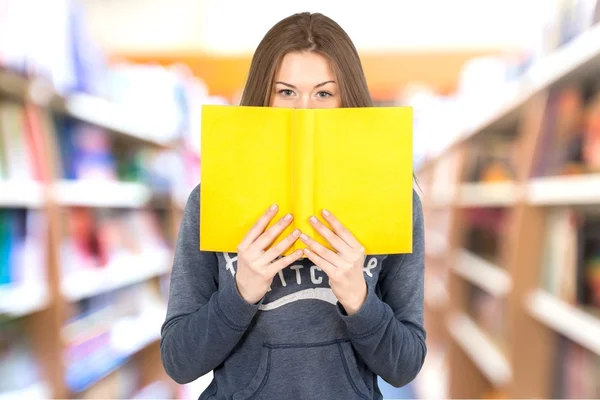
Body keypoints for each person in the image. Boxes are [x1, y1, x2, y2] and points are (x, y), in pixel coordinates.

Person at [160, 12, 426, 400]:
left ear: (347, 99)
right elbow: (179, 362)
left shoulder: (396, 200)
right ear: (262, 98)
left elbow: (405, 366)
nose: (304, 110)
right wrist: (241, 291)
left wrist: (358, 297)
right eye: (286, 92)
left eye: (324, 93)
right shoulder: (209, 198)